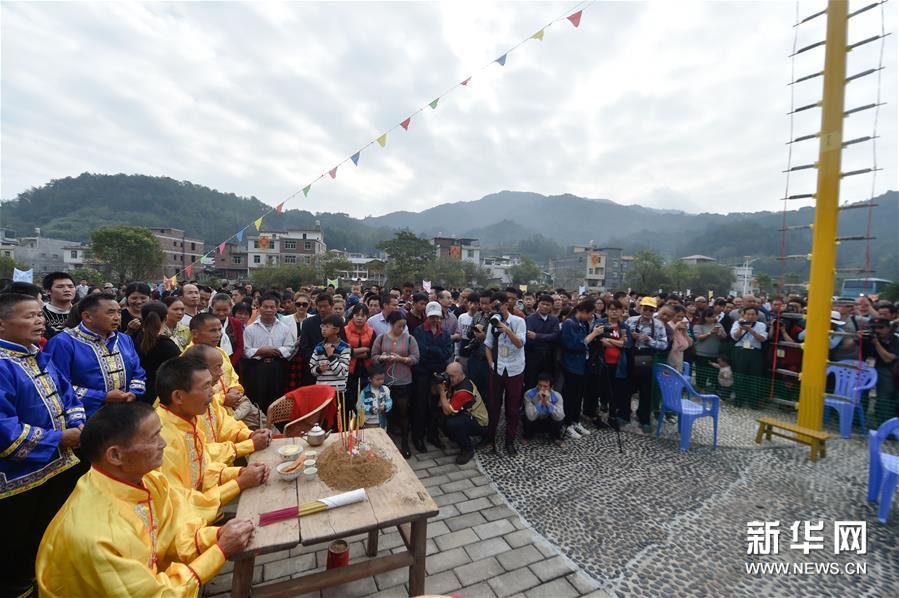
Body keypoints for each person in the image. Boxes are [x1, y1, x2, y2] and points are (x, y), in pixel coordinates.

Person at [36, 402, 257, 597]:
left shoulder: (146, 479)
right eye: (153, 438)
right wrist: (220, 550)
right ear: (115, 455)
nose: (163, 443)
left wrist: (217, 535)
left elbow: (175, 530)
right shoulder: (97, 536)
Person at [0, 293, 86, 596]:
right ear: (2, 324)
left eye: (39, 315)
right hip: (18, 479)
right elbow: (4, 428)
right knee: (17, 544)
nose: (39, 321)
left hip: (59, 464)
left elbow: (67, 394)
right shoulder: (3, 364)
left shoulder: (35, 354)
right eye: (29, 316)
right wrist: (58, 438)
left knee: (49, 531)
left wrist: (77, 424)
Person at [155, 357, 268, 522]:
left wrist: (240, 472)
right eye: (205, 386)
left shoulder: (187, 419)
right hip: (190, 527)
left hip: (208, 514)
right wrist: (239, 482)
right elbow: (181, 504)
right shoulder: (162, 441)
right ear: (178, 397)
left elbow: (204, 469)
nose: (213, 392)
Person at [45, 293, 147, 418]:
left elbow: (138, 371)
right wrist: (102, 397)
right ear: (87, 317)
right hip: (86, 418)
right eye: (110, 313)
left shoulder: (124, 339)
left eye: (119, 312)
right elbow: (56, 385)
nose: (117, 318)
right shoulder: (62, 343)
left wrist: (133, 392)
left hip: (125, 413)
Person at [183, 344, 270, 463]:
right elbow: (202, 456)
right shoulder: (184, 411)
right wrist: (249, 445)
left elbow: (226, 426)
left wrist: (250, 435)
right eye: (218, 367)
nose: (221, 373)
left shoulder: (208, 399)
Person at [484, 291, 527, 455]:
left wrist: (506, 329)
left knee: (512, 408)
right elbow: (487, 345)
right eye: (493, 307)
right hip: (498, 368)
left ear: (505, 305)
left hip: (515, 369)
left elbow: (519, 344)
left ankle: (510, 440)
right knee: (493, 405)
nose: (496, 310)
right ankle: (490, 439)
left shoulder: (519, 321)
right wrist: (491, 364)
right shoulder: (492, 323)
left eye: (498, 306)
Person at [372, 310, 419, 458]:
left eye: (404, 326)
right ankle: (385, 443)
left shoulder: (409, 339)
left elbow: (416, 358)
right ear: (391, 324)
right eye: (399, 326)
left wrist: (402, 359)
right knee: (385, 412)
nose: (402, 329)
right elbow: (373, 357)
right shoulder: (381, 338)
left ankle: (405, 443)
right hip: (385, 381)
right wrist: (382, 358)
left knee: (403, 412)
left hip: (403, 381)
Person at [243, 292, 296, 412]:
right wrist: (260, 351)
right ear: (259, 308)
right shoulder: (250, 329)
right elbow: (245, 350)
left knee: (276, 397)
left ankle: (275, 422)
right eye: (265, 307)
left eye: (272, 307)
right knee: (257, 398)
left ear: (277, 308)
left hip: (277, 367)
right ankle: (259, 421)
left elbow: (290, 347)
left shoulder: (284, 328)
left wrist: (276, 351)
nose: (268, 310)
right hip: (257, 367)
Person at [411, 302, 454, 452]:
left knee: (435, 406)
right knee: (420, 405)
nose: (435, 320)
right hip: (422, 373)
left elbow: (447, 352)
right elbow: (421, 353)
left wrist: (433, 351)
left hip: (437, 373)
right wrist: (437, 352)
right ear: (427, 316)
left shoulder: (445, 332)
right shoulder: (419, 331)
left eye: (437, 317)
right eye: (432, 317)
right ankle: (417, 436)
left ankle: (433, 434)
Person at [559, 300, 603, 439]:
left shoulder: (582, 323)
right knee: (570, 396)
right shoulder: (569, 323)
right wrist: (594, 334)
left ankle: (575, 421)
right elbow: (576, 344)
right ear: (583, 311)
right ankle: (567, 424)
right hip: (571, 365)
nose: (591, 317)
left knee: (578, 396)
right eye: (590, 313)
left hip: (582, 364)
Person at [626, 296, 668, 433]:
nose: (648, 312)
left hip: (647, 357)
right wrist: (631, 337)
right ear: (640, 308)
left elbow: (664, 345)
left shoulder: (659, 325)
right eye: (645, 309)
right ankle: (624, 413)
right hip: (631, 355)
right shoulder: (631, 320)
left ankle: (644, 417)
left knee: (646, 390)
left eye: (651, 310)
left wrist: (648, 340)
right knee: (627, 387)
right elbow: (622, 336)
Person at [436, 362, 488, 465]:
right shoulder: (459, 381)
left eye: (452, 376)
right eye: (447, 375)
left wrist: (441, 391)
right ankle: (457, 437)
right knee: (440, 417)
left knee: (452, 423)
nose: (449, 379)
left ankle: (467, 449)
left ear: (460, 374)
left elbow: (447, 411)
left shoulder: (464, 391)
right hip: (467, 414)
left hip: (479, 422)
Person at [134, 301, 182, 404]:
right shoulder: (167, 345)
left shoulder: (137, 337)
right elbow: (180, 369)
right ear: (166, 318)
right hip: (160, 396)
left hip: (139, 392)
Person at [730, 306, 768, 408]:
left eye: (753, 314)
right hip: (740, 351)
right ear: (744, 315)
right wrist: (741, 328)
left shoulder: (761, 325)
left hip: (755, 353)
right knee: (739, 376)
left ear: (757, 316)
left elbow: (762, 339)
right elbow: (734, 337)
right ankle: (739, 400)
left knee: (755, 377)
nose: (750, 316)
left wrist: (750, 330)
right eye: (748, 314)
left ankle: (754, 402)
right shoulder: (737, 323)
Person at [863, 317, 899, 426]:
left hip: (888, 369)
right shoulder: (868, 336)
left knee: (884, 398)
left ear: (888, 328)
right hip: (867, 367)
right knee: (861, 393)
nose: (877, 330)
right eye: (873, 328)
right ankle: (859, 421)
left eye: (880, 328)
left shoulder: (895, 338)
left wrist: (876, 343)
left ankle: (885, 425)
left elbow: (888, 359)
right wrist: (858, 338)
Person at [524, 294, 560, 394]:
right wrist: (547, 338)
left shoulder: (554, 320)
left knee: (546, 384)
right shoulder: (529, 319)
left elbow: (555, 336)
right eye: (543, 304)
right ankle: (528, 402)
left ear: (551, 306)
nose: (545, 306)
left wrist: (537, 336)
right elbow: (529, 337)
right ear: (538, 304)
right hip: (532, 357)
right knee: (530, 383)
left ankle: (545, 402)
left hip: (549, 358)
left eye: (548, 305)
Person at [310, 314, 352, 393]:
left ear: (336, 330)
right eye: (322, 326)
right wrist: (319, 369)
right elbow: (312, 369)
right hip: (321, 390)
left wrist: (330, 356)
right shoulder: (319, 347)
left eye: (327, 327)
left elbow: (341, 372)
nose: (323, 329)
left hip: (337, 391)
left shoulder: (345, 348)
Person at [522, 372, 566, 448]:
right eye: (540, 385)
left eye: (545, 386)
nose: (542, 388)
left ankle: (556, 437)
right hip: (535, 420)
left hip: (548, 421)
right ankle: (527, 436)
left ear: (551, 387)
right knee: (526, 416)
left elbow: (560, 416)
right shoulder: (528, 394)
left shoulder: (557, 396)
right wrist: (540, 401)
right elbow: (530, 416)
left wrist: (547, 402)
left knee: (559, 417)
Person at [343, 303, 374, 404]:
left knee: (365, 398)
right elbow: (343, 350)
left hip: (366, 370)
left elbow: (373, 351)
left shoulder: (371, 331)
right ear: (352, 315)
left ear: (367, 317)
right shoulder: (344, 330)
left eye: (363, 315)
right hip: (349, 370)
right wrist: (364, 349)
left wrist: (354, 352)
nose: (359, 318)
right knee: (349, 399)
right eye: (357, 315)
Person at [299, 293, 334, 385]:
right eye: (320, 306)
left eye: (325, 306)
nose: (322, 309)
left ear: (331, 306)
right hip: (312, 366)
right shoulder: (308, 323)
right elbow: (304, 346)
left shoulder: (338, 322)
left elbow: (342, 343)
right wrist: (317, 361)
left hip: (333, 367)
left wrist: (331, 360)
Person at [693, 308, 727, 392]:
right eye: (710, 317)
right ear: (704, 317)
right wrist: (710, 333)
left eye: (714, 316)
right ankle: (700, 389)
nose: (712, 318)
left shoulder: (719, 325)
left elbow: (724, 337)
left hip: (715, 353)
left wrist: (720, 334)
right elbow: (698, 337)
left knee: (715, 373)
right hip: (701, 353)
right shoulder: (698, 326)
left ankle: (714, 389)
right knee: (701, 373)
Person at [210, 293, 244, 370]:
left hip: (232, 364)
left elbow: (240, 346)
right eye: (218, 310)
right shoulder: (206, 323)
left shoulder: (236, 323)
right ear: (212, 307)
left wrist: (230, 364)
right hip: (211, 364)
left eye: (225, 310)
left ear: (230, 307)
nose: (221, 313)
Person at [41, 271, 76, 339]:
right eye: (60, 287)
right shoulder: (40, 314)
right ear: (48, 291)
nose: (67, 290)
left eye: (70, 286)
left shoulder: (83, 313)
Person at [356, 365, 392, 429]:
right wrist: (370, 409)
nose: (381, 381)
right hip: (368, 422)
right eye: (378, 379)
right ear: (370, 379)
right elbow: (358, 406)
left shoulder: (385, 389)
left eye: (382, 379)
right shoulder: (364, 392)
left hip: (381, 422)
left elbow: (389, 401)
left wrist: (385, 406)